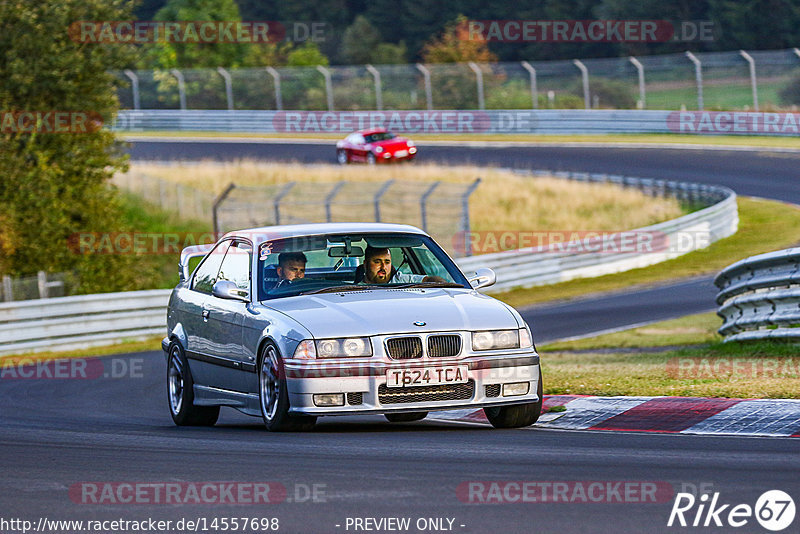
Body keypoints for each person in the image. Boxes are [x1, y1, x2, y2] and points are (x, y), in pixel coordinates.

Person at [360, 246, 444, 284]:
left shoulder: (401, 280)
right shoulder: (353, 288)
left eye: (387, 262)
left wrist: (443, 284)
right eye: (377, 262)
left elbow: (427, 280)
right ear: (365, 264)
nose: (383, 267)